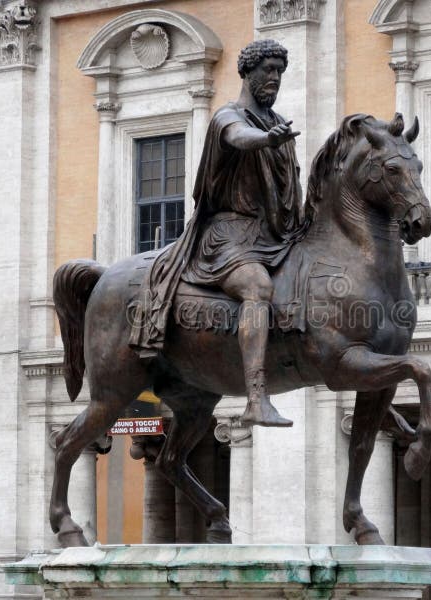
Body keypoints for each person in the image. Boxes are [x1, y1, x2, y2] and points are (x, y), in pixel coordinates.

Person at [129, 39, 304, 428]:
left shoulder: (276, 122)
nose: (275, 78)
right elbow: (239, 137)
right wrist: (267, 140)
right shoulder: (229, 116)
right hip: (227, 237)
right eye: (268, 69)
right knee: (257, 288)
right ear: (247, 71)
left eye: (280, 70)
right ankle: (257, 399)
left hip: (272, 236)